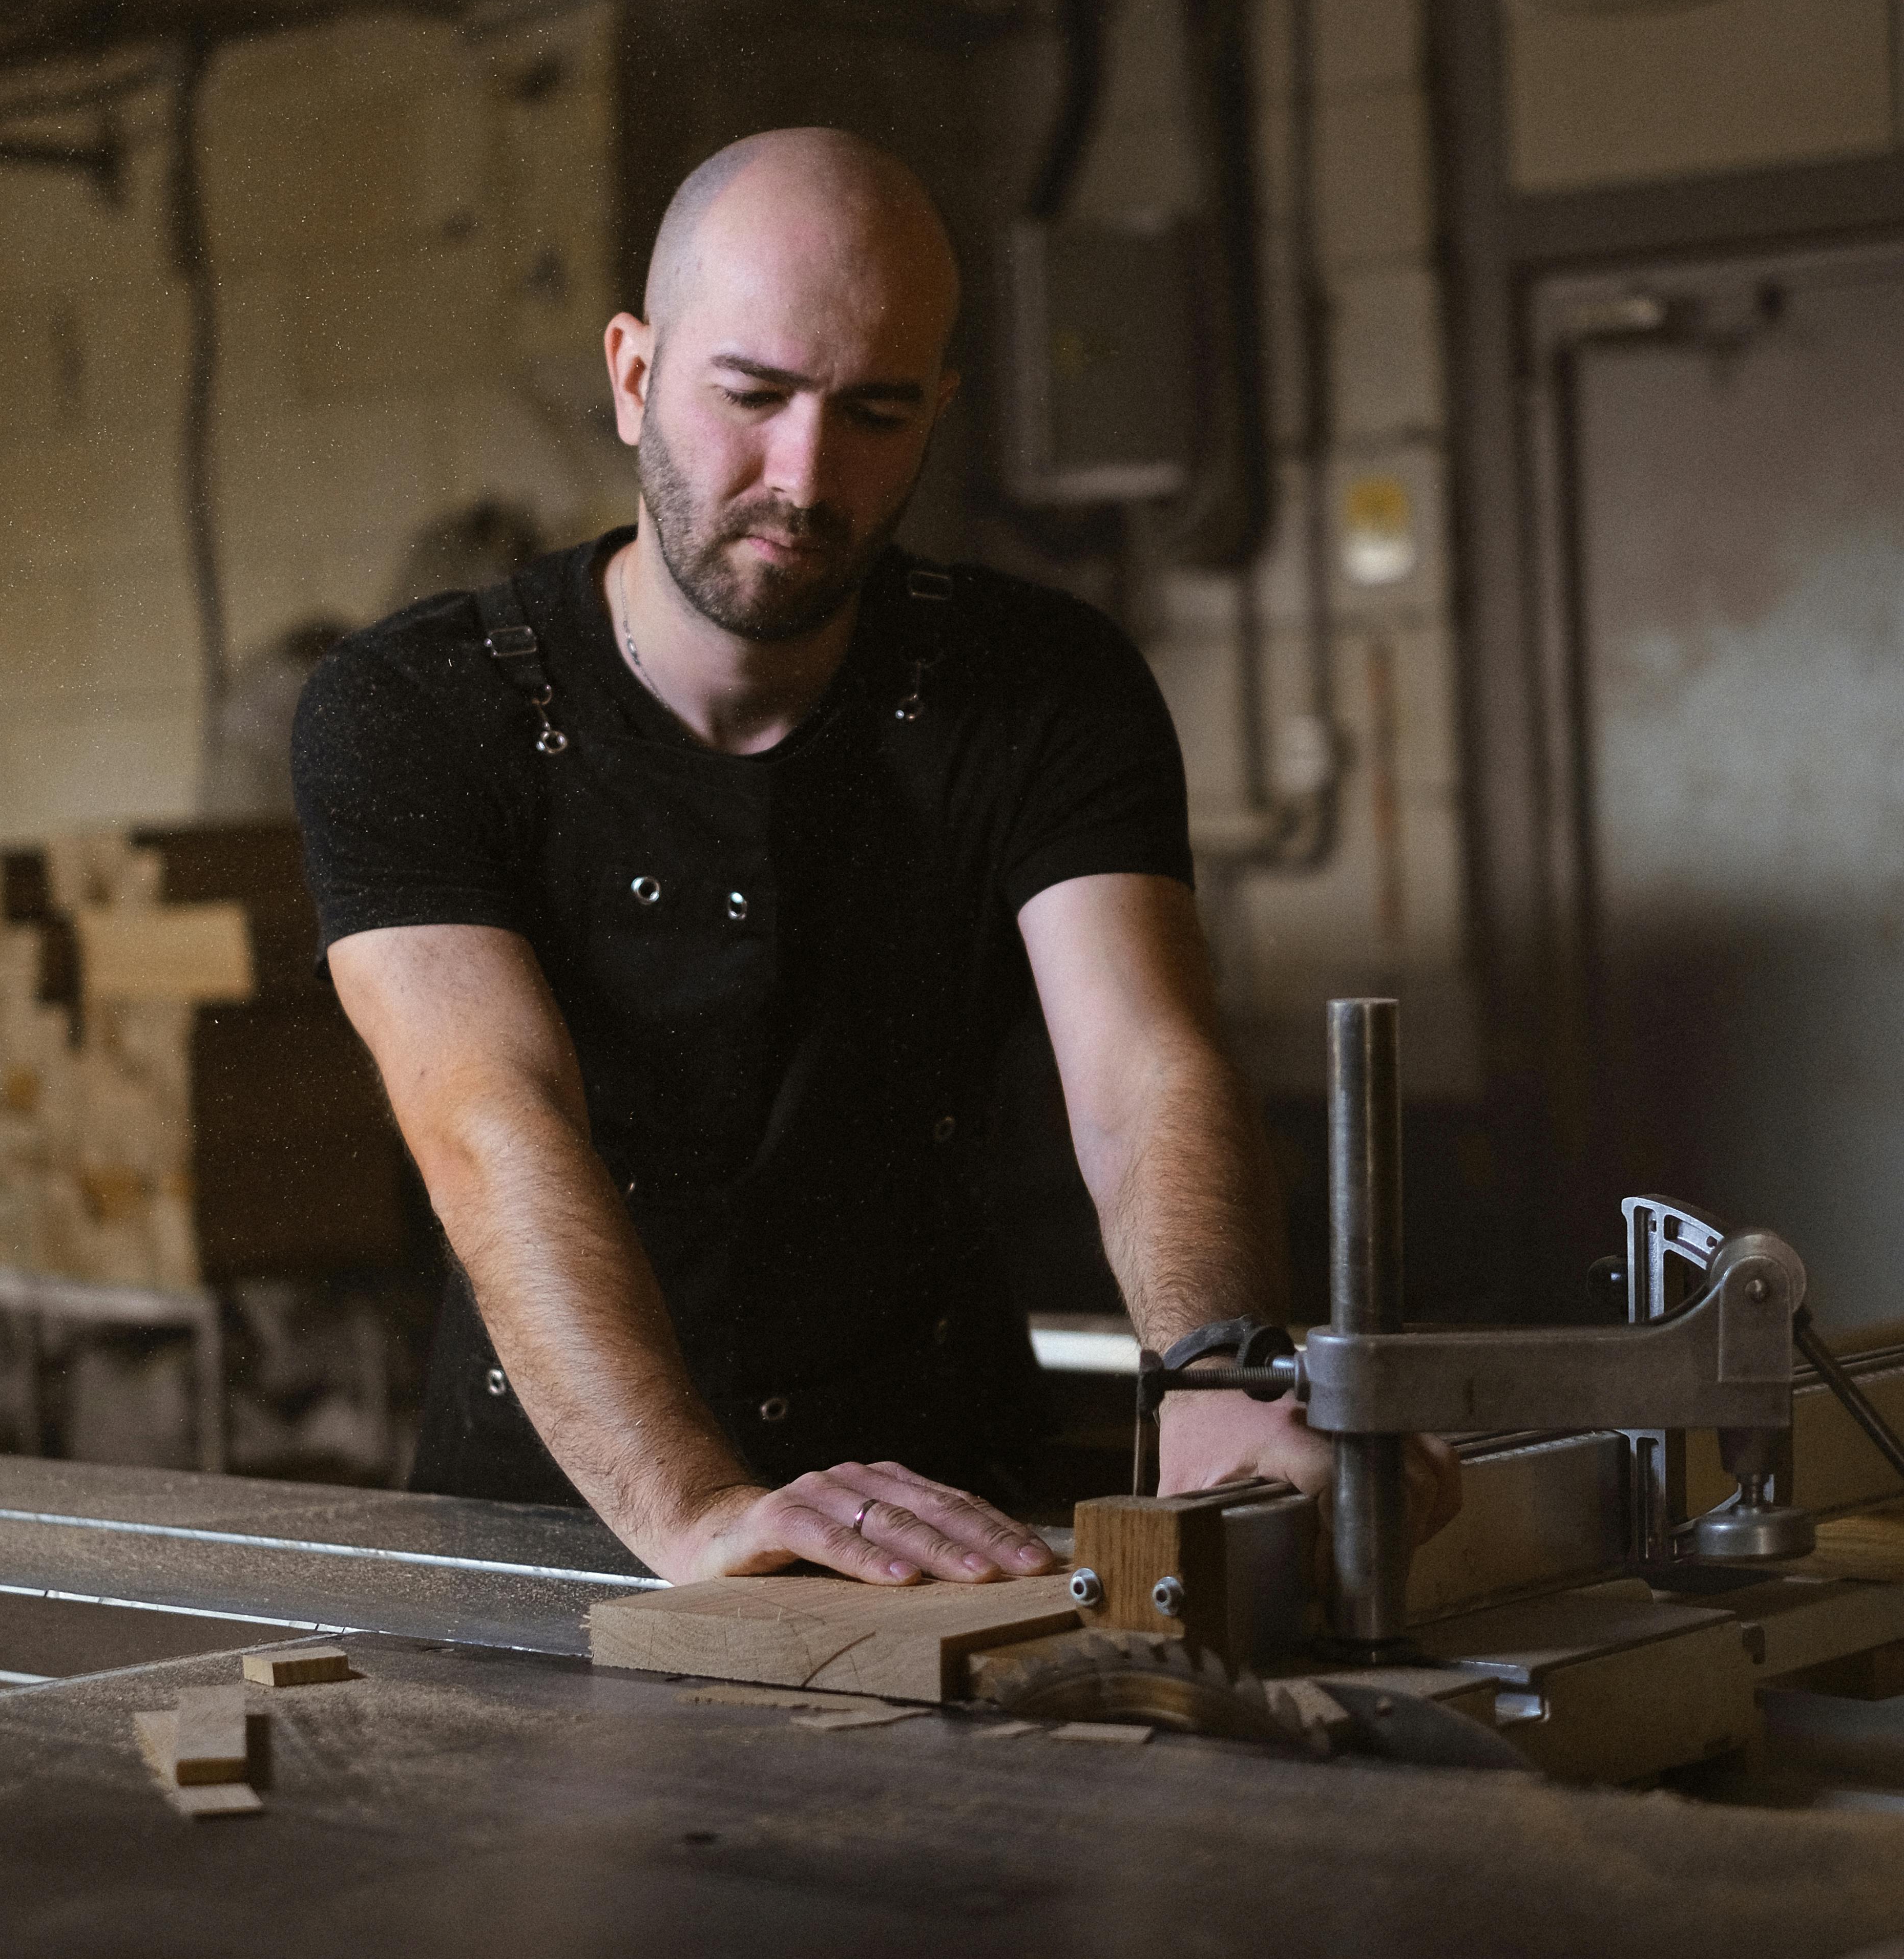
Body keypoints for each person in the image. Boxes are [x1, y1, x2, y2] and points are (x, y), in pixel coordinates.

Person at [292, 128, 1458, 1587]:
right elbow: (491, 1116)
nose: (805, 473)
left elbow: (1145, 1064)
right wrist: (699, 1509)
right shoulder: (417, 708)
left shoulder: (1043, 684)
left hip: (947, 1517)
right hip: (564, 1531)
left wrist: (1219, 1370)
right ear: (634, 372)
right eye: (755, 394)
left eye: (876, 412)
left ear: (942, 410)